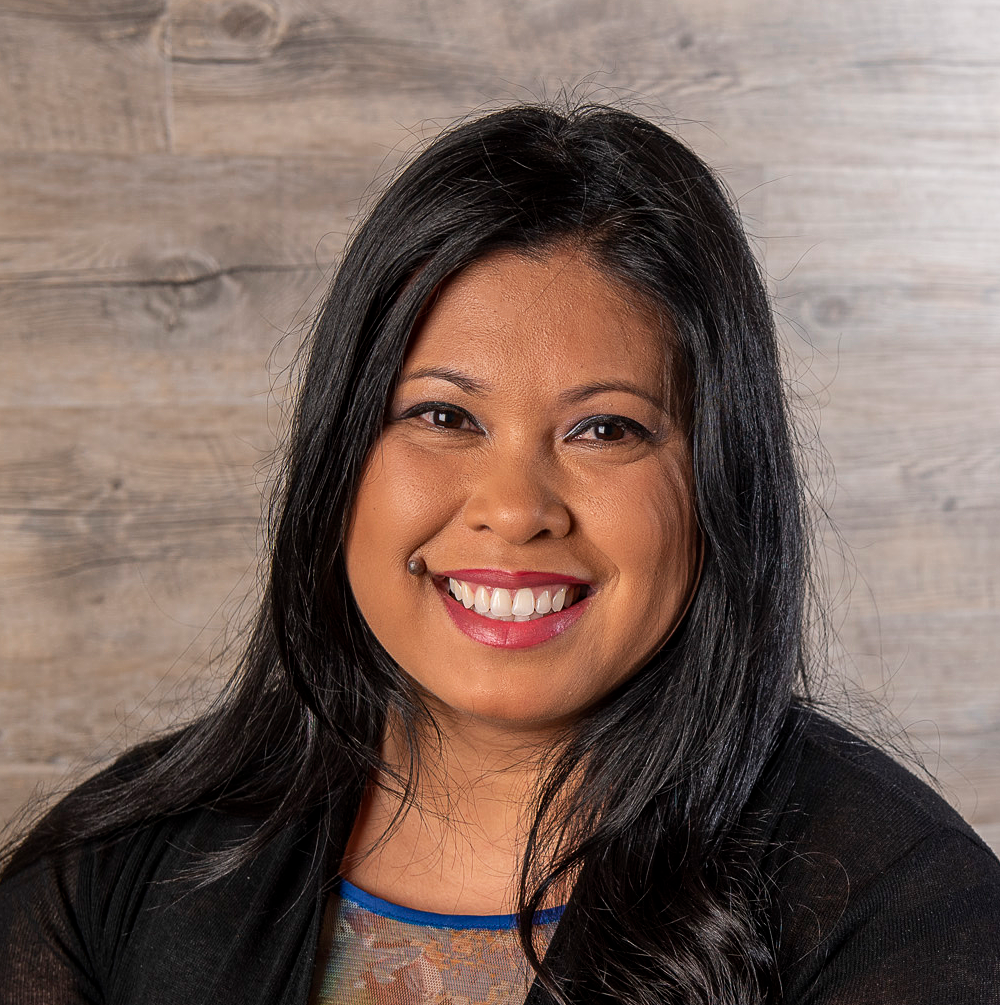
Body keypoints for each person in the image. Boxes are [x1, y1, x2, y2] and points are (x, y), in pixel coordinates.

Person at [0, 103, 997, 1005]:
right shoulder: (109, 872)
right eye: (443, 415)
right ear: (340, 455)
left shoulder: (907, 913)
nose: (515, 510)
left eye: (605, 429)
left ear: (718, 481)